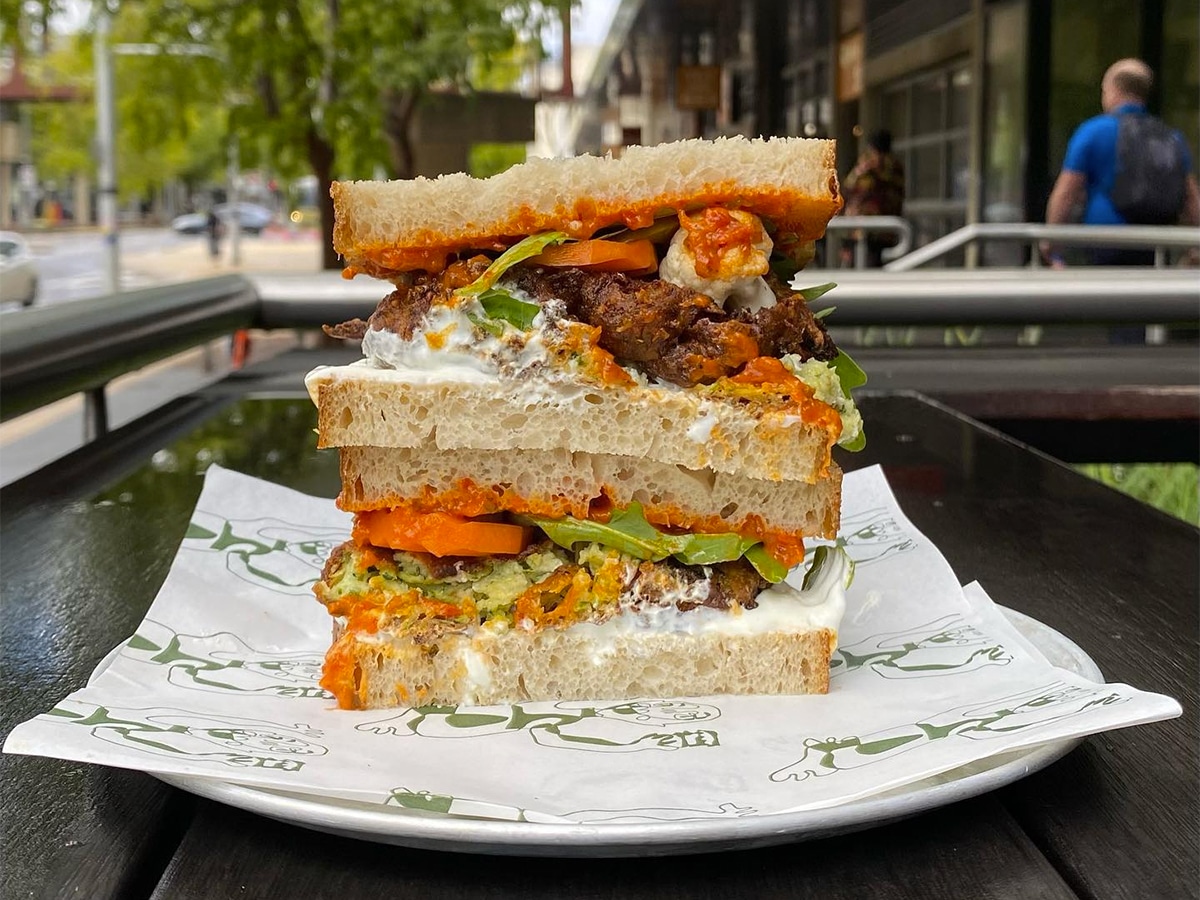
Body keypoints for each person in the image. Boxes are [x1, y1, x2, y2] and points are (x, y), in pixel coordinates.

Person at [1042, 58, 1199, 268]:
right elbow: (1191, 198)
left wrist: (1051, 244)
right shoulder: (1171, 137)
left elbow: (1066, 192)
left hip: (1105, 246)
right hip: (1156, 246)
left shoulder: (1093, 132)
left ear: (1113, 90)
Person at [840, 129, 906, 268]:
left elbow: (849, 186)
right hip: (875, 228)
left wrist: (862, 170)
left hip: (870, 228)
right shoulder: (893, 166)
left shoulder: (877, 166)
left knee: (867, 267)